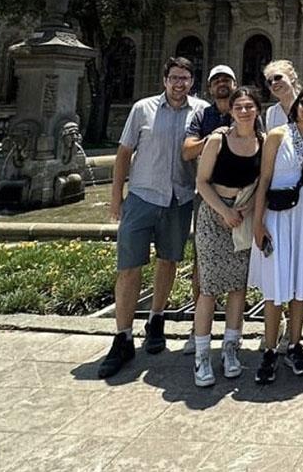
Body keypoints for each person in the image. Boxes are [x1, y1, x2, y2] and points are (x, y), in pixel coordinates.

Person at [99, 57, 207, 379]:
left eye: (185, 78)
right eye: (174, 77)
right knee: (129, 267)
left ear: (191, 81)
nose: (179, 83)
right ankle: (123, 336)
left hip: (179, 198)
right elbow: (123, 154)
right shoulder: (142, 109)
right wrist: (116, 197)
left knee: (168, 261)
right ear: (164, 80)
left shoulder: (200, 111)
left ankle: (156, 318)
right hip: (143, 197)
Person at [250, 83, 303, 384]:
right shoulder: (276, 135)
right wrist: (258, 224)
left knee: (300, 286)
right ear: (296, 105)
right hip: (278, 215)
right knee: (276, 287)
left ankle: (295, 345)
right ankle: (270, 349)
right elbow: (264, 180)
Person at [191, 86, 263, 387]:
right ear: (231, 111)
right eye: (239, 107)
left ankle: (231, 350)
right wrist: (224, 211)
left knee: (237, 286)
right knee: (208, 287)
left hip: (242, 217)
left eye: (249, 106)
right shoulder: (218, 140)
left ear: (257, 109)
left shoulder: (262, 142)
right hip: (213, 215)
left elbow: (264, 181)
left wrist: (245, 208)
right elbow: (202, 182)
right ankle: (202, 355)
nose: (244, 111)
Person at [180, 64, 245, 355]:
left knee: (240, 266)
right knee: (201, 266)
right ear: (209, 87)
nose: (222, 84)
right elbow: (187, 150)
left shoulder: (244, 110)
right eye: (216, 80)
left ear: (234, 84)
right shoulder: (202, 116)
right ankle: (199, 331)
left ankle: (233, 335)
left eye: (227, 80)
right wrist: (215, 138)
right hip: (207, 199)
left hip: (240, 200)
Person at [263, 59, 301, 130]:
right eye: (269, 82)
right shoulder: (271, 112)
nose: (273, 83)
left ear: (292, 77)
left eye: (278, 78)